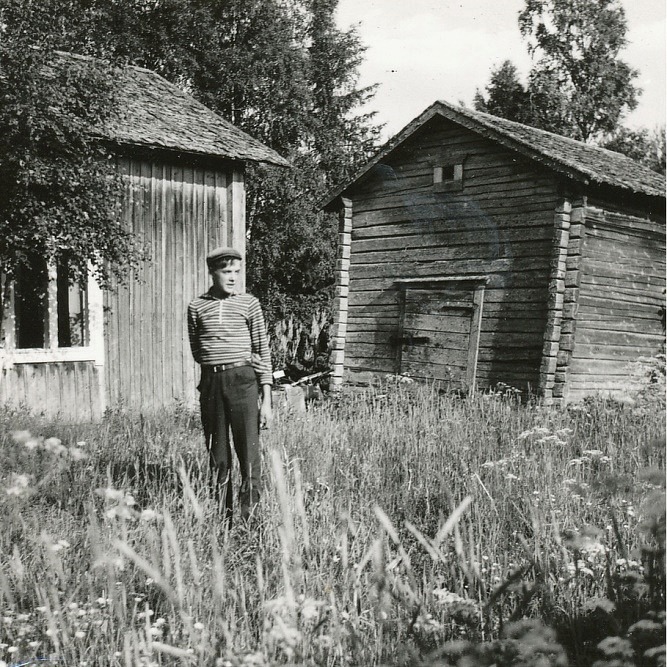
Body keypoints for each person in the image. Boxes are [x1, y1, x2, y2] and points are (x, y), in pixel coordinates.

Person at [187, 247, 272, 525]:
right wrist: (217, 365)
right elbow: (198, 351)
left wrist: (266, 400)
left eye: (237, 271)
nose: (233, 277)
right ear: (212, 272)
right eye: (226, 272)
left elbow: (263, 350)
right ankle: (225, 519)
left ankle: (250, 521)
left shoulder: (249, 304)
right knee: (218, 454)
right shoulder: (196, 307)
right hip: (211, 383)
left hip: (243, 381)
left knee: (248, 454)